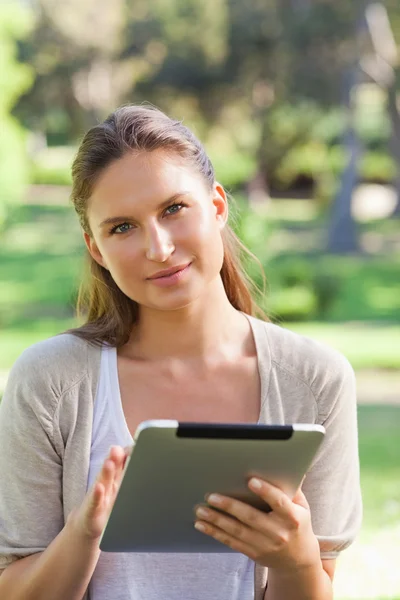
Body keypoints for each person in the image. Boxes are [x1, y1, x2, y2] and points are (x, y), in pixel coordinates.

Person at [0, 104, 362, 600]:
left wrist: (295, 560)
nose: (159, 248)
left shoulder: (316, 379)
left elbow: (317, 584)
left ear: (216, 206)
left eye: (173, 209)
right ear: (96, 249)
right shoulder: (49, 380)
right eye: (122, 227)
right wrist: (83, 534)